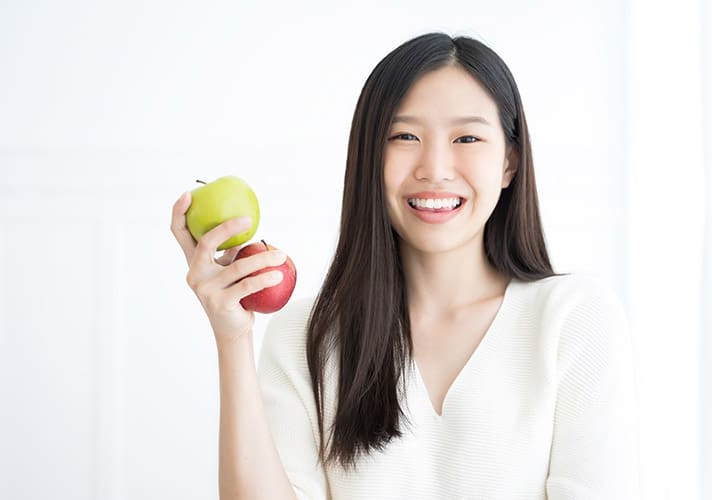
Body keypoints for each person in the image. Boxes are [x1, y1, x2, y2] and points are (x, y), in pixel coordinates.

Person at [172, 32, 640, 500]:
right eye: (405, 136)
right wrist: (232, 338)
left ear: (509, 163)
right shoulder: (305, 333)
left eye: (468, 137)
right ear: (369, 158)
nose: (434, 167)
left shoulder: (573, 319)